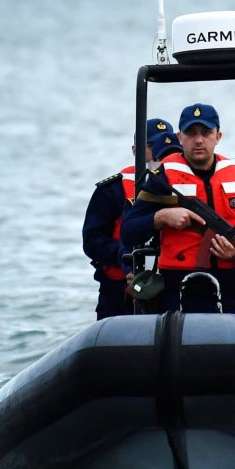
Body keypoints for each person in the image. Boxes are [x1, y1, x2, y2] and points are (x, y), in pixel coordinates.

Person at [120, 103, 235, 318]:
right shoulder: (161, 179)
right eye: (191, 133)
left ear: (218, 136)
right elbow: (128, 231)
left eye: (206, 132)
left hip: (233, 291)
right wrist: (162, 217)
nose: (199, 140)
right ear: (179, 137)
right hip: (179, 293)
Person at [81, 117, 181, 319]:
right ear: (136, 151)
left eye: (167, 145)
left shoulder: (188, 185)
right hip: (119, 292)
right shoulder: (113, 190)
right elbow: (92, 242)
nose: (159, 152)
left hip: (172, 286)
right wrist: (131, 261)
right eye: (151, 146)